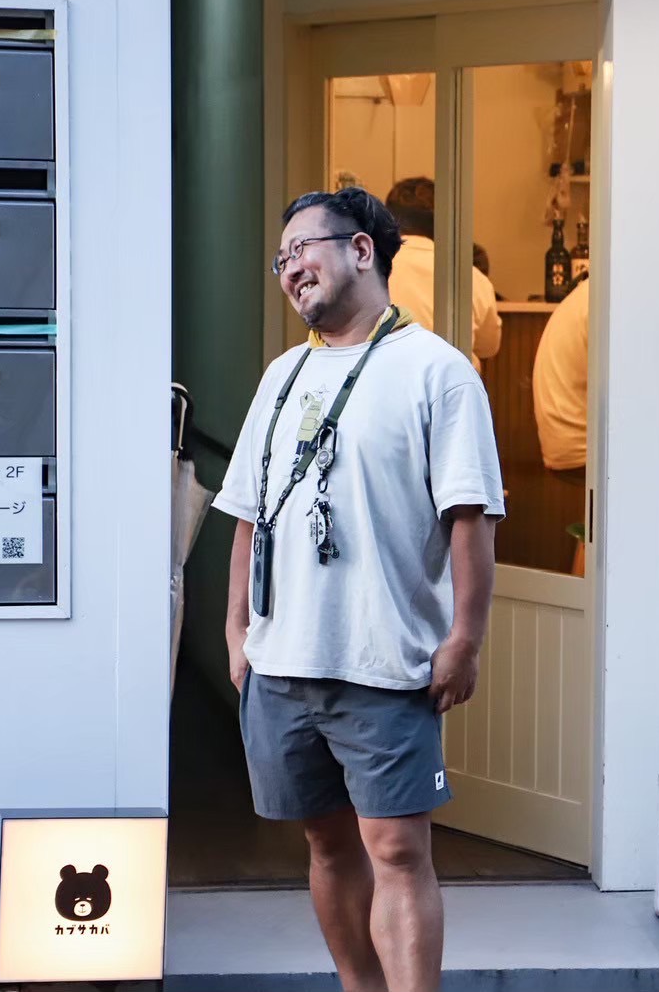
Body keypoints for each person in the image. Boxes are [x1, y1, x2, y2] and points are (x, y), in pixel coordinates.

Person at [214, 186, 504, 992]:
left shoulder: (437, 372)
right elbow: (249, 514)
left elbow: (471, 518)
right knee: (326, 844)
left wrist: (465, 639)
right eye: (281, 259)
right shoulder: (283, 375)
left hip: (384, 660)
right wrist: (236, 631)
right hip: (282, 661)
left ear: (362, 249)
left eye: (302, 248)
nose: (290, 269)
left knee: (398, 849)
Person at [383, 176, 502, 369]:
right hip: (454, 385)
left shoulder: (365, 273)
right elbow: (489, 347)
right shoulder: (473, 278)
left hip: (381, 385)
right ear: (446, 223)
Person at [531, 279, 588, 572]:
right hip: (582, 443)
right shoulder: (612, 300)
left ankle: (586, 592)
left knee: (599, 520)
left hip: (565, 437)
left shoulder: (586, 295)